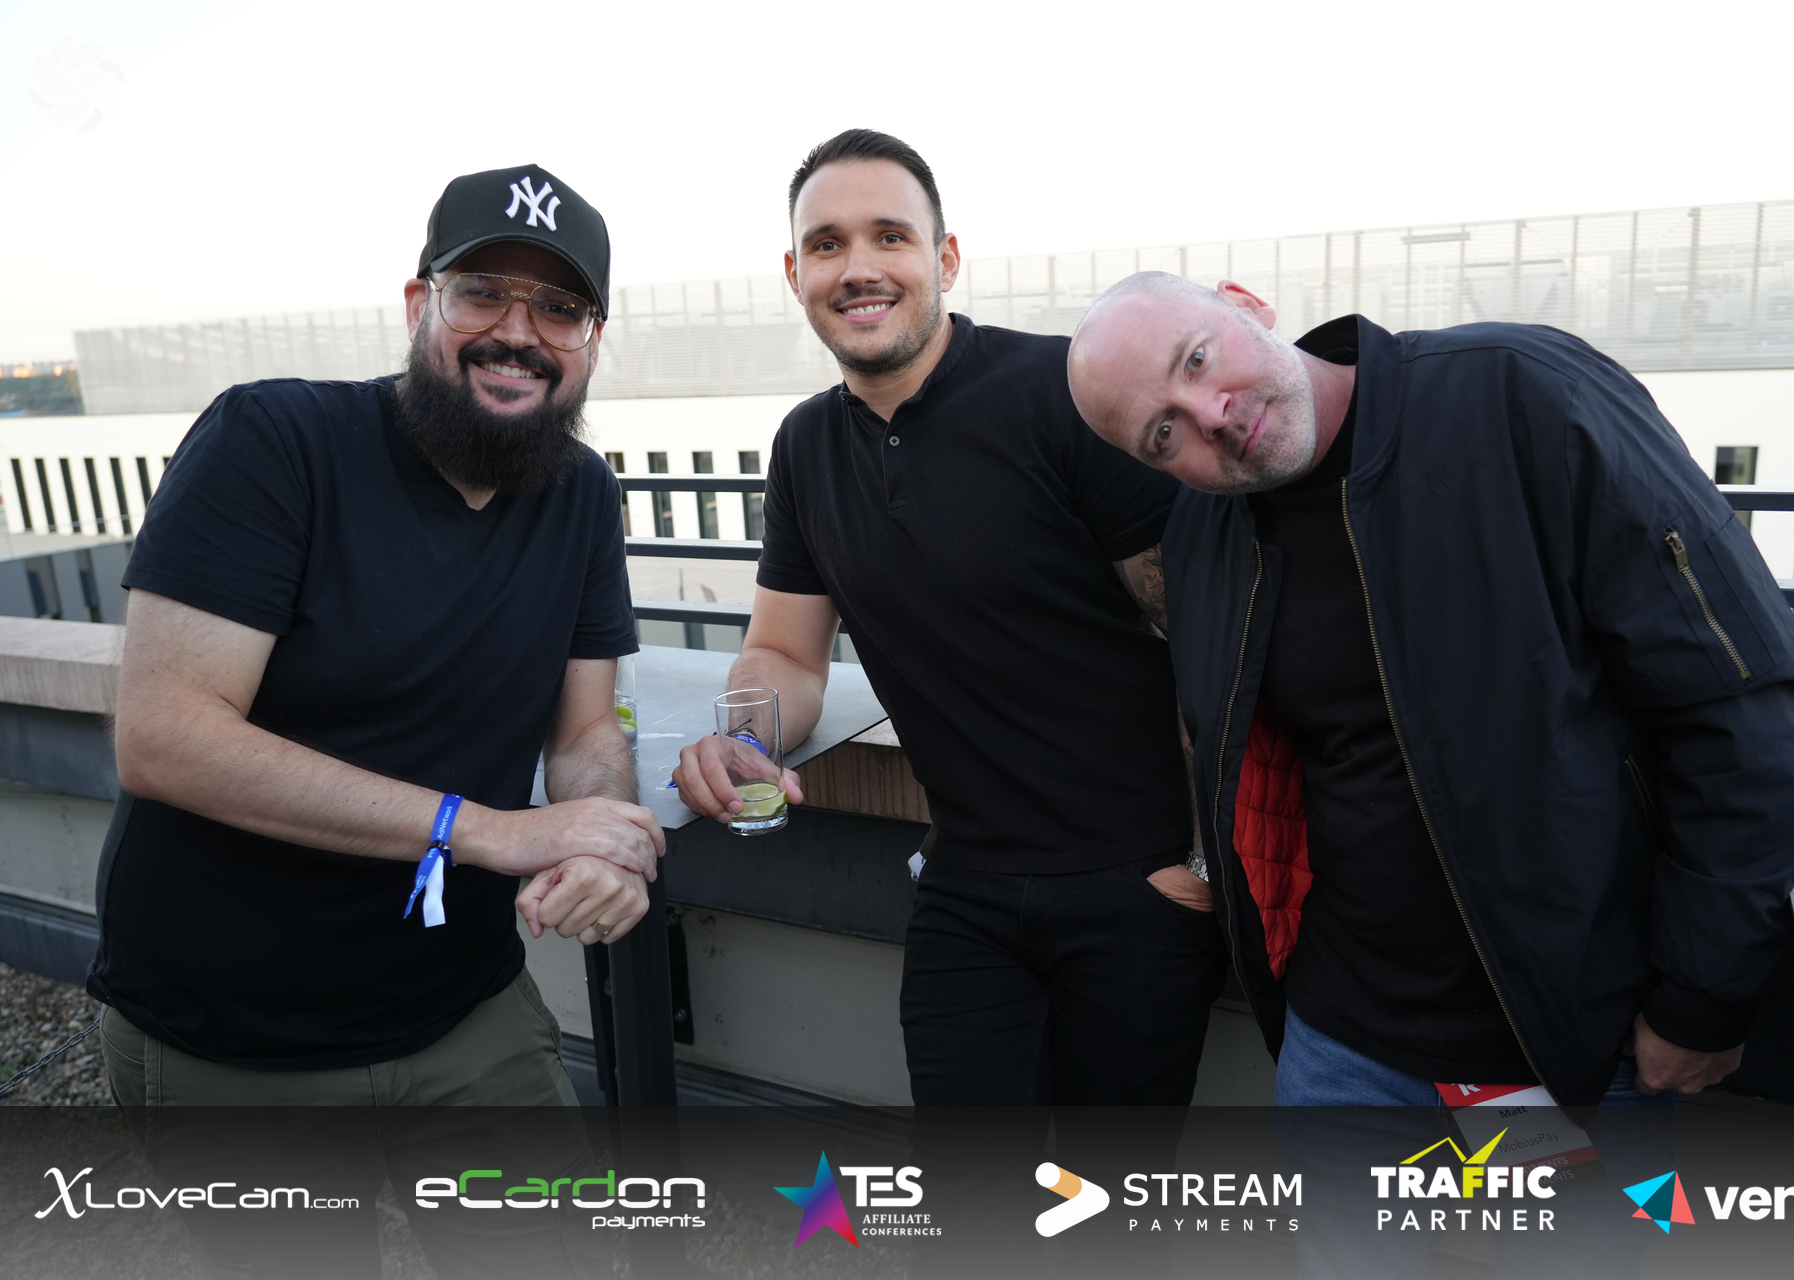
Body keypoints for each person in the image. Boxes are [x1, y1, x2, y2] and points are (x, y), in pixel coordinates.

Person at [1065, 272, 1794, 1107]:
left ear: (1245, 303)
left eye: (1198, 359)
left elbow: (1741, 704)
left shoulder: (1521, 392)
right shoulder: (1206, 534)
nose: (1209, 414)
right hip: (1338, 1043)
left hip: (1572, 1043)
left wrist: (1702, 994)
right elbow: (1249, 766)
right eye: (1163, 433)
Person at [88, 165, 653, 1272]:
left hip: (466, 1009)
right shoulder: (275, 438)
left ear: (591, 339)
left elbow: (585, 732)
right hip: (231, 1035)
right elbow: (164, 736)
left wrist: (601, 841)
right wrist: (491, 830)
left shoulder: (582, 494)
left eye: (559, 308)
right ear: (417, 303)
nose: (519, 332)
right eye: (482, 292)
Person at [672, 131, 1225, 1107]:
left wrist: (1197, 863)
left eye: (890, 235)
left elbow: (1206, 640)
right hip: (963, 884)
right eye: (828, 244)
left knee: (1105, 1194)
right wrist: (747, 739)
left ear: (946, 257)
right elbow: (783, 649)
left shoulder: (1065, 394)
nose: (860, 267)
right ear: (797, 274)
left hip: (1132, 883)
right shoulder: (805, 446)